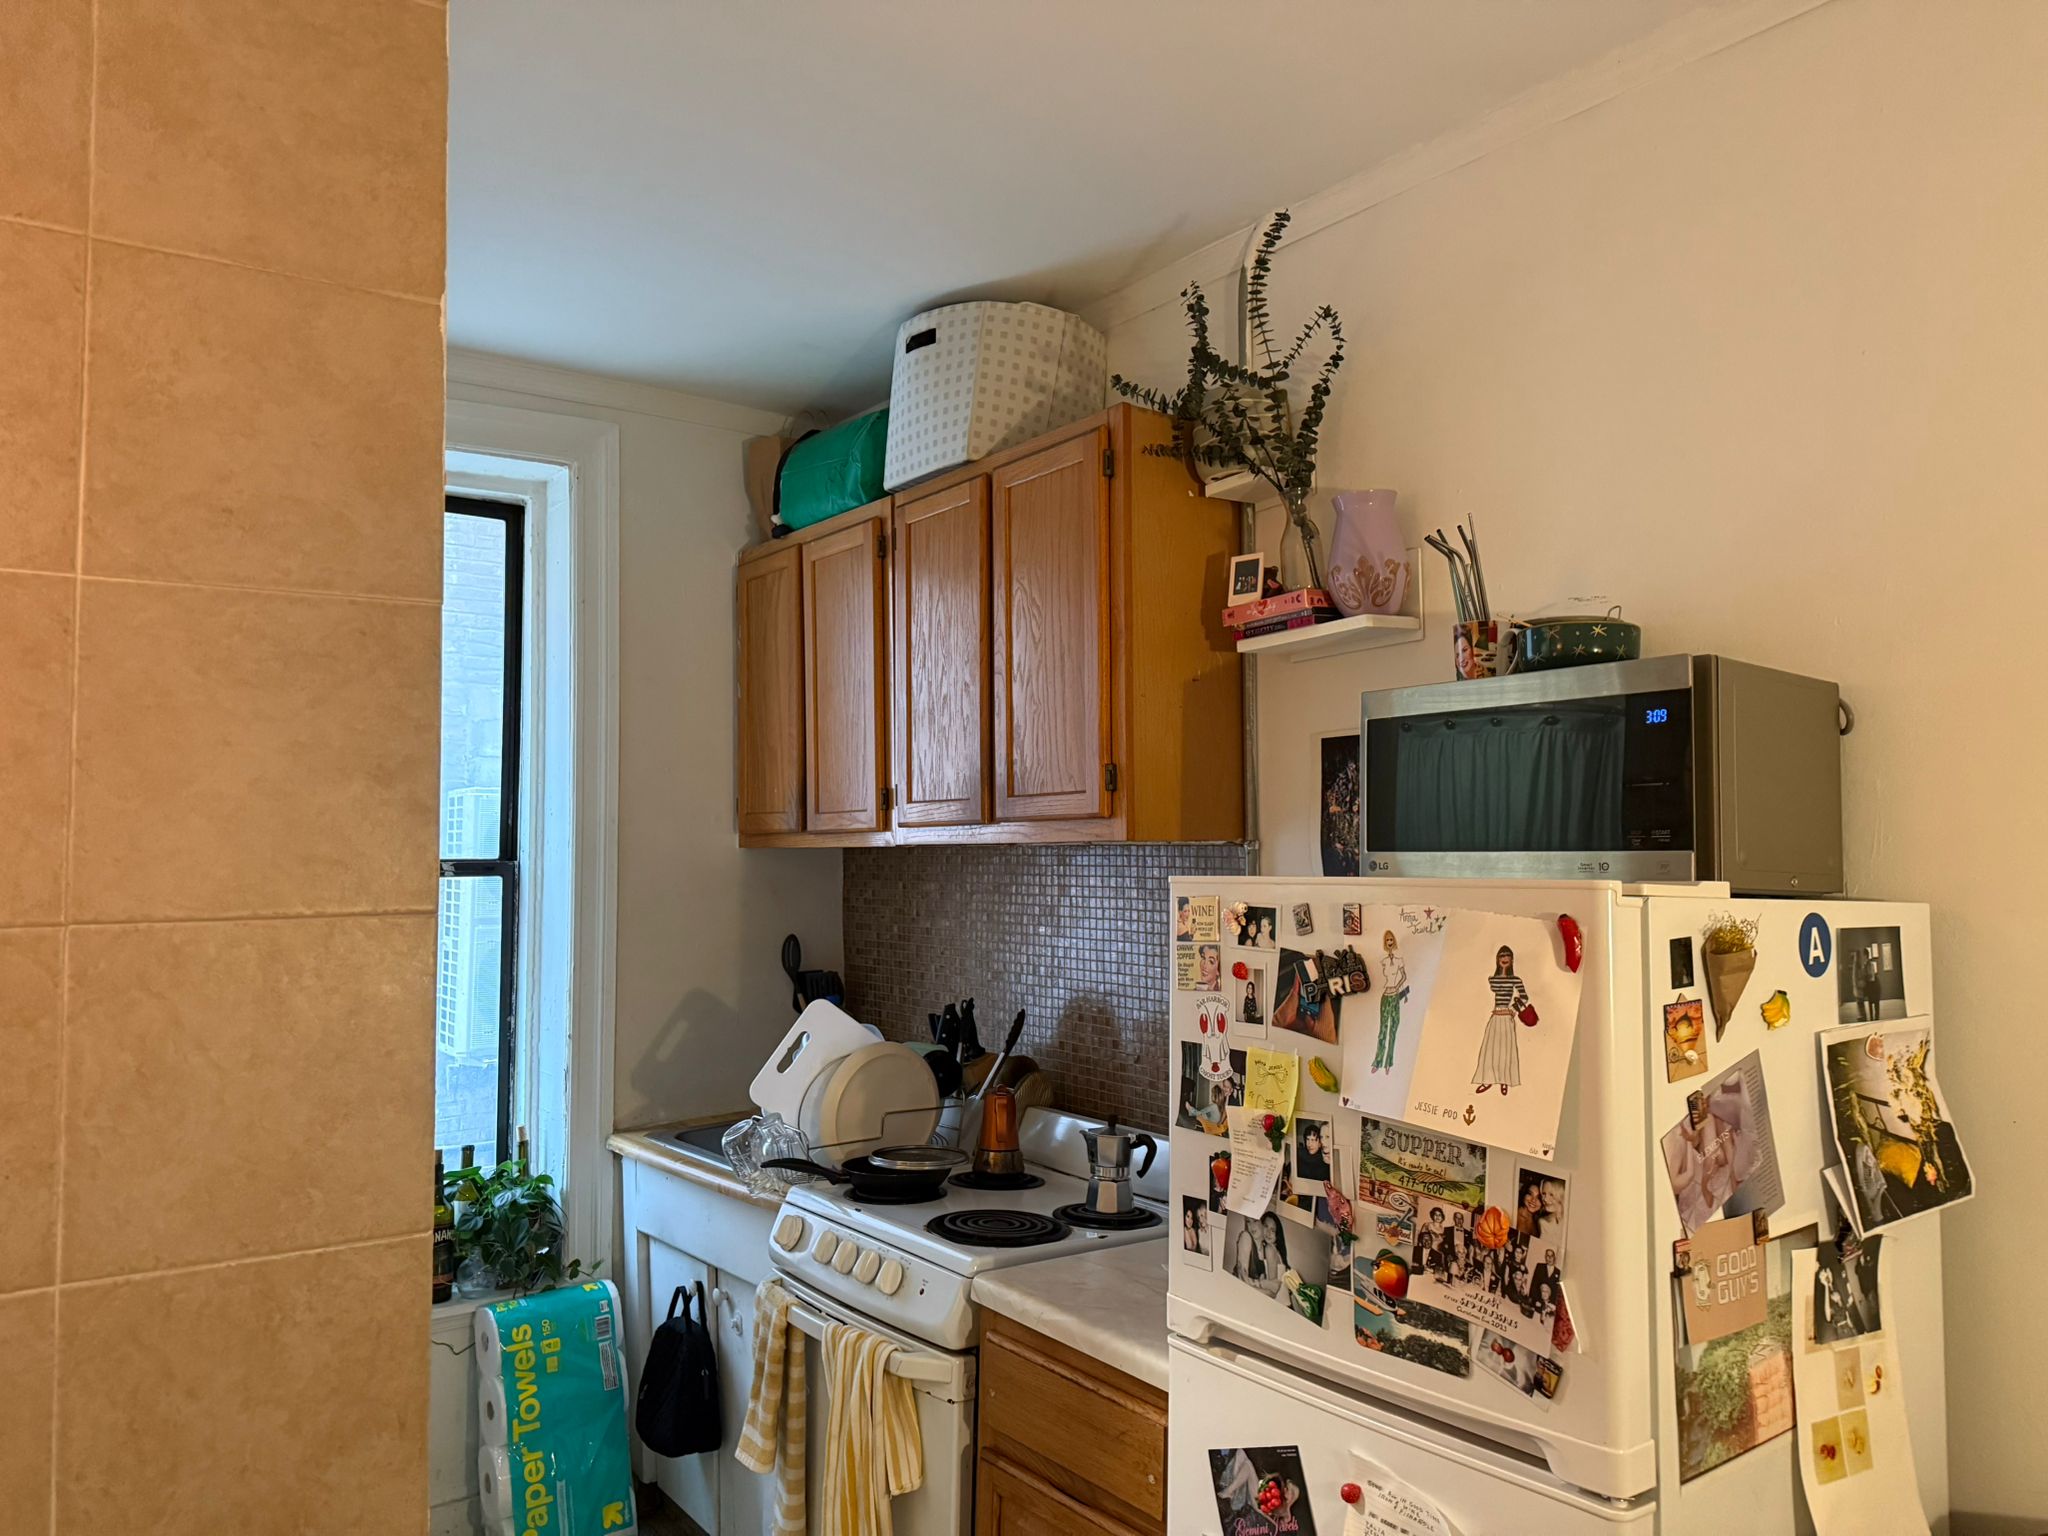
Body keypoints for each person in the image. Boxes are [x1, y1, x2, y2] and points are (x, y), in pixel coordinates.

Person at [1472, 945, 1531, 1095]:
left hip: (1507, 1017)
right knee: (1491, 1047)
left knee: (1506, 1049)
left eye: (1507, 956)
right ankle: (1488, 1079)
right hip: (1495, 1016)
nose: (1504, 959)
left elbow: (1524, 997)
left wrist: (1512, 1010)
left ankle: (1505, 1080)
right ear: (1498, 960)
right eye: (1502, 956)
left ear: (1512, 960)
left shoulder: (1515, 980)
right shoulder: (1493, 979)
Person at [1373, 930, 1409, 1073]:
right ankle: (1378, 1061)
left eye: (1391, 939)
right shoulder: (1383, 961)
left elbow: (1404, 976)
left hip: (1395, 996)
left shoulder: (1399, 960)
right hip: (1385, 996)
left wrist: (1397, 987)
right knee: (1383, 1029)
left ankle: (1389, 1062)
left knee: (1393, 1029)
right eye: (1387, 940)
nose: (1389, 942)